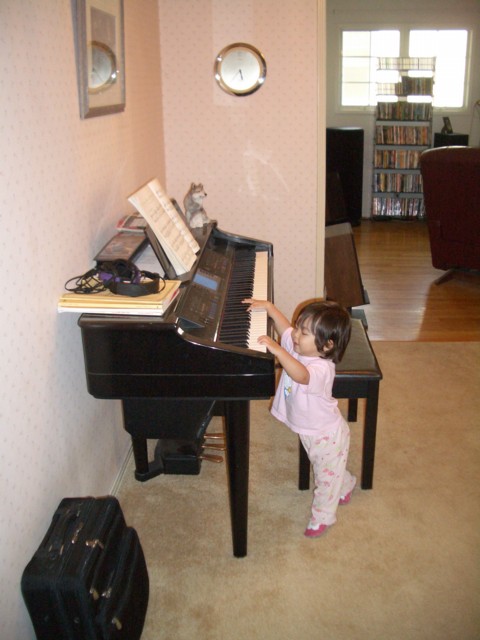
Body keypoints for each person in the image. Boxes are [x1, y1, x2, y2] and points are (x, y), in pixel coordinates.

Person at [242, 298, 356, 538]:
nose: (295, 335)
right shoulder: (299, 346)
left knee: (325, 478)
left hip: (327, 435)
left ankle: (323, 516)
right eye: (299, 326)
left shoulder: (322, 368)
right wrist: (271, 308)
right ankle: (345, 484)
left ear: (326, 346)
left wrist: (278, 352)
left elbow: (302, 375)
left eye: (304, 332)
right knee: (329, 469)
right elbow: (286, 330)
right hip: (311, 431)